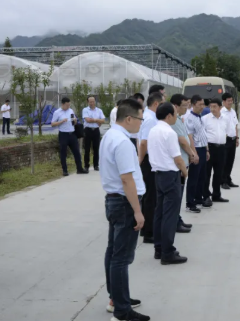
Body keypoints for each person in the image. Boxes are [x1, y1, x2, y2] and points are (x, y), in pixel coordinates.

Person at [100, 99, 150, 321]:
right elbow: (127, 179)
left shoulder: (110, 136)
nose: (141, 123)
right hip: (124, 203)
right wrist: (137, 211)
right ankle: (122, 310)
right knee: (121, 258)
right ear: (129, 118)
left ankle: (116, 298)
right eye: (140, 119)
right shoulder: (122, 142)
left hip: (115, 201)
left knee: (113, 252)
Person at [148, 102, 189, 265]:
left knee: (159, 213)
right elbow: (178, 158)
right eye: (175, 114)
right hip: (170, 175)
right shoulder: (169, 132)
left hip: (158, 175)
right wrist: (185, 172)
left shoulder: (152, 130)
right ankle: (167, 252)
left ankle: (159, 248)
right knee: (170, 215)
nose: (176, 116)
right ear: (169, 115)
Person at [138, 92, 165, 243]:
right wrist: (140, 160)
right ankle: (149, 232)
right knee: (150, 197)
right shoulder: (149, 119)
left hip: (150, 159)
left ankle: (147, 229)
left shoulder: (151, 117)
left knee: (150, 195)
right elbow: (143, 143)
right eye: (162, 103)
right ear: (156, 104)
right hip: (148, 160)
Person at [169, 94, 196, 232]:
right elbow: (182, 141)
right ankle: (175, 223)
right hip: (178, 165)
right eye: (184, 106)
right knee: (176, 197)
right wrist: (192, 153)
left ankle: (177, 219)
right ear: (176, 106)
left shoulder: (179, 119)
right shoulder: (174, 121)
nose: (187, 108)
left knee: (178, 196)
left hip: (183, 162)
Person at [185, 95, 211, 211]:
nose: (202, 107)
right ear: (193, 104)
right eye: (200, 104)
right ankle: (190, 203)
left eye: (203, 104)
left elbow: (202, 134)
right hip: (196, 149)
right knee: (193, 177)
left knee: (202, 176)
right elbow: (190, 137)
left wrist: (206, 150)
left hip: (202, 149)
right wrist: (194, 153)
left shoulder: (200, 117)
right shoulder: (189, 118)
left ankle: (198, 198)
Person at [51, 97, 88, 176]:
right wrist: (61, 121)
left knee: (76, 152)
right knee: (63, 153)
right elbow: (52, 124)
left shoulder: (71, 110)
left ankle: (79, 169)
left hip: (72, 133)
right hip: (63, 134)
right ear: (63, 104)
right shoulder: (57, 112)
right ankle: (65, 170)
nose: (68, 107)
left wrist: (75, 121)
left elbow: (74, 122)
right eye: (67, 105)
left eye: (69, 105)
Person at [202, 98, 230, 203]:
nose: (212, 109)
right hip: (210, 148)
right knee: (207, 173)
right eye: (211, 107)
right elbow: (203, 135)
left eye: (215, 107)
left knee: (219, 173)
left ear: (220, 107)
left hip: (221, 148)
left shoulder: (225, 118)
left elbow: (226, 132)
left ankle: (216, 195)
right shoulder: (205, 119)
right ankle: (205, 196)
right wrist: (206, 149)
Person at [221, 93, 240, 189]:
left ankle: (228, 179)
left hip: (233, 139)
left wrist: (237, 138)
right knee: (224, 162)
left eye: (231, 100)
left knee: (230, 161)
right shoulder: (221, 113)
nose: (230, 102)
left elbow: (235, 125)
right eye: (228, 101)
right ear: (224, 102)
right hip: (225, 140)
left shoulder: (233, 112)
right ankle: (223, 181)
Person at [82, 96, 106, 171]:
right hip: (88, 130)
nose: (92, 103)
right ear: (87, 102)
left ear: (95, 102)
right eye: (90, 102)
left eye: (93, 101)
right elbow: (88, 120)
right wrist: (98, 120)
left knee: (96, 148)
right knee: (87, 149)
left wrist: (94, 119)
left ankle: (96, 165)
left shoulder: (99, 110)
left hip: (96, 130)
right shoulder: (85, 110)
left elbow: (103, 120)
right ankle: (86, 166)